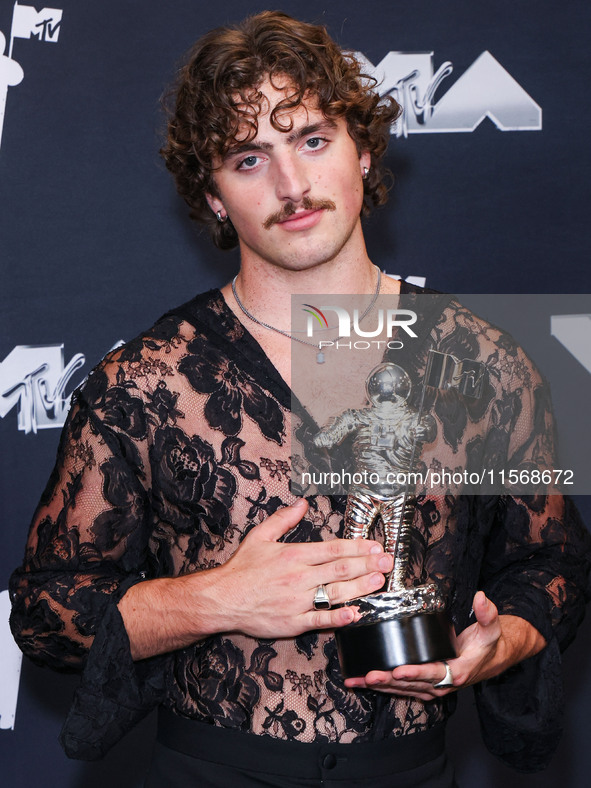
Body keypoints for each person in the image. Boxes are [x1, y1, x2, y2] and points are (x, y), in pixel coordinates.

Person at [9, 11, 590, 787]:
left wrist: (504, 640)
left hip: (413, 770)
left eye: (312, 140)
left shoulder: (486, 359)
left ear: (364, 149)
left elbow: (550, 562)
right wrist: (212, 599)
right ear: (213, 198)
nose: (291, 185)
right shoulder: (144, 382)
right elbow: (46, 613)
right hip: (209, 770)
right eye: (248, 160)